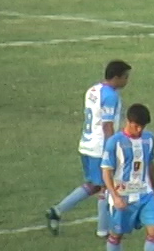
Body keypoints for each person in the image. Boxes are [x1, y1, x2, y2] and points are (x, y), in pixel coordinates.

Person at [46, 60, 132, 237]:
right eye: (125, 77)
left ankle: (57, 210)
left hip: (86, 145)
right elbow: (107, 125)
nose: (127, 81)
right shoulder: (111, 96)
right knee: (107, 187)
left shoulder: (93, 90)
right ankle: (103, 230)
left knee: (93, 185)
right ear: (116, 77)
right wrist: (111, 150)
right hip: (100, 148)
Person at [101, 103, 154, 251]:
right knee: (116, 235)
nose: (140, 130)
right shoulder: (114, 142)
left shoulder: (149, 139)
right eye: (137, 126)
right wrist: (115, 197)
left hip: (145, 194)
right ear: (128, 121)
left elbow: (150, 164)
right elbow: (106, 172)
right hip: (123, 196)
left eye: (143, 126)